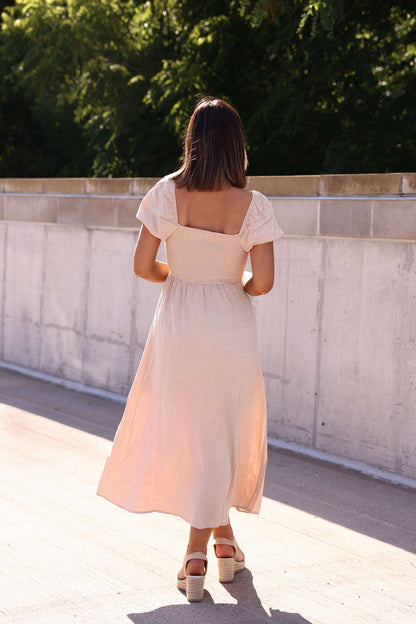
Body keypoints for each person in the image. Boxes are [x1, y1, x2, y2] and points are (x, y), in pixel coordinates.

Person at [97, 97, 284, 602]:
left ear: (192, 141)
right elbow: (264, 282)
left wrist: (181, 278)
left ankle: (203, 553)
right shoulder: (254, 205)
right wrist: (232, 287)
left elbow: (143, 265)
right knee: (219, 434)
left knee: (196, 435)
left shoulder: (167, 192)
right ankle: (211, 549)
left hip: (179, 325)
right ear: (237, 145)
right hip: (230, 326)